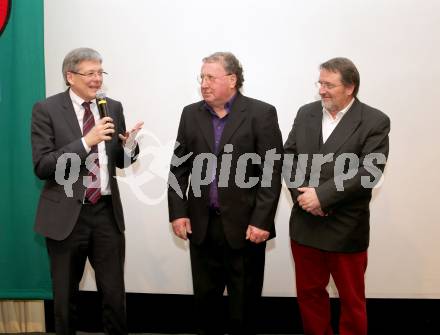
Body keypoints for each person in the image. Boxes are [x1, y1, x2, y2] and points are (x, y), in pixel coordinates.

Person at [168, 52, 283, 335]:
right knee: (205, 308)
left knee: (244, 309)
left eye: (211, 77)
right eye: (202, 78)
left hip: (246, 229)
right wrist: (178, 212)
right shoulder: (190, 113)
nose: (204, 84)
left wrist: (262, 220)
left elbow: (271, 173)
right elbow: (178, 170)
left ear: (232, 80)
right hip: (202, 227)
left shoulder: (261, 113)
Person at [31, 47, 143, 335]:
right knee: (66, 299)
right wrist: (85, 142)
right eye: (90, 73)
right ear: (70, 76)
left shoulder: (112, 106)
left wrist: (129, 145)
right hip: (67, 215)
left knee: (115, 296)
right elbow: (43, 166)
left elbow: (119, 160)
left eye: (100, 72)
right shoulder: (47, 109)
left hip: (106, 213)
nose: (97, 79)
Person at [283, 57, 390, 335]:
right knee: (309, 296)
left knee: (351, 302)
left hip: (346, 228)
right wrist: (304, 196)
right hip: (305, 225)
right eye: (320, 83)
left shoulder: (374, 121)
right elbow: (289, 158)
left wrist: (323, 196)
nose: (321, 90)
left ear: (350, 87)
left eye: (329, 84)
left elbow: (370, 171)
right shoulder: (305, 113)